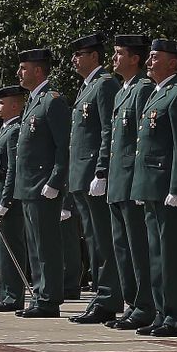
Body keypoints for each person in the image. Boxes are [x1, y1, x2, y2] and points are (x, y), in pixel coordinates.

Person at [130, 38, 177, 338]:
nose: (149, 62)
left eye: (155, 57)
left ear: (172, 62)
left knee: (172, 256)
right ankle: (161, 311)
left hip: (168, 186)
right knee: (156, 254)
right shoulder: (157, 93)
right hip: (152, 187)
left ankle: (176, 315)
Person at [65, 33, 121, 323]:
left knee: (103, 240)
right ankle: (101, 293)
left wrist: (101, 170)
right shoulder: (86, 87)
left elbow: (107, 131)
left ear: (94, 57)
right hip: (81, 176)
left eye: (80, 54)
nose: (74, 59)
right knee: (93, 240)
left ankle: (109, 296)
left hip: (93, 177)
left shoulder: (105, 85)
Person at [11, 48, 70, 319]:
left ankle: (49, 299)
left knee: (46, 245)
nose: (19, 73)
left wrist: (56, 180)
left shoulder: (51, 101)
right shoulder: (33, 102)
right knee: (34, 245)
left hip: (43, 185)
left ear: (37, 70)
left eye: (23, 68)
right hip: (28, 186)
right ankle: (39, 294)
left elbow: (63, 145)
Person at [102, 35, 155, 331]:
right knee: (123, 247)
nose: (115, 58)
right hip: (118, 181)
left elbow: (142, 140)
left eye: (119, 53)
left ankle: (145, 304)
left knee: (138, 248)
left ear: (135, 58)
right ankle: (133, 302)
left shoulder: (143, 88)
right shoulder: (124, 90)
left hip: (133, 180)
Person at [0, 86, 29, 312]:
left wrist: (6, 199)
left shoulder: (14, 130)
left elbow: (13, 169)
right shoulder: (4, 129)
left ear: (15, 105)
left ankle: (13, 296)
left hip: (6, 196)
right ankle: (6, 293)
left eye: (2, 103)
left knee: (11, 246)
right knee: (2, 249)